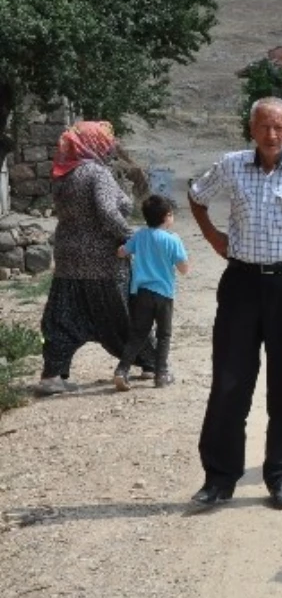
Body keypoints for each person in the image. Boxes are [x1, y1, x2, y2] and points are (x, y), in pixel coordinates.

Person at [187, 97, 282, 511]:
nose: (271, 135)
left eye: (279, 128)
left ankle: (280, 477)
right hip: (240, 283)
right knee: (229, 381)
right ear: (251, 129)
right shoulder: (232, 165)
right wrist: (213, 237)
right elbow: (196, 196)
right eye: (264, 127)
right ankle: (219, 479)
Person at [37, 121, 156, 395]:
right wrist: (132, 236)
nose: (109, 145)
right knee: (122, 312)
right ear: (94, 144)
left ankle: (52, 375)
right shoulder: (96, 173)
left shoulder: (63, 174)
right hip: (104, 258)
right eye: (104, 141)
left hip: (68, 256)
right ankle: (151, 362)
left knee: (62, 317)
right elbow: (107, 212)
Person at [113, 194, 189, 390]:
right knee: (164, 335)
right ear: (166, 217)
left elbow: (122, 252)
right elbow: (183, 268)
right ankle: (161, 374)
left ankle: (122, 370)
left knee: (138, 334)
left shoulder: (140, 235)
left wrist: (121, 249)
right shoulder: (173, 240)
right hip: (164, 294)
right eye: (171, 214)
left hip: (141, 293)